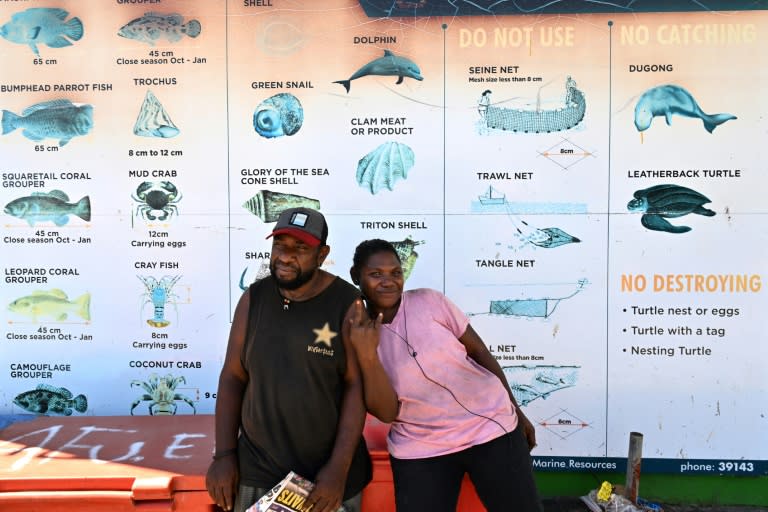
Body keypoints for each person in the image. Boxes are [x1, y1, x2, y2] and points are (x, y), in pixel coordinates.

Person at [346, 239, 542, 512]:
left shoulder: (430, 301)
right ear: (356, 276)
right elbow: (388, 412)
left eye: (396, 272)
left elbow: (480, 353)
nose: (388, 281)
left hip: (489, 427)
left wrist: (516, 410)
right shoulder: (356, 332)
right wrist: (367, 355)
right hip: (420, 445)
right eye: (375, 274)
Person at [206, 207, 372, 512]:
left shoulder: (348, 304)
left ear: (322, 254)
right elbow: (233, 377)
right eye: (280, 245)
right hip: (258, 470)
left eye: (300, 248)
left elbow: (355, 388)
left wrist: (338, 469)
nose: (285, 256)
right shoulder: (253, 299)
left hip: (325, 479)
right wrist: (224, 455)